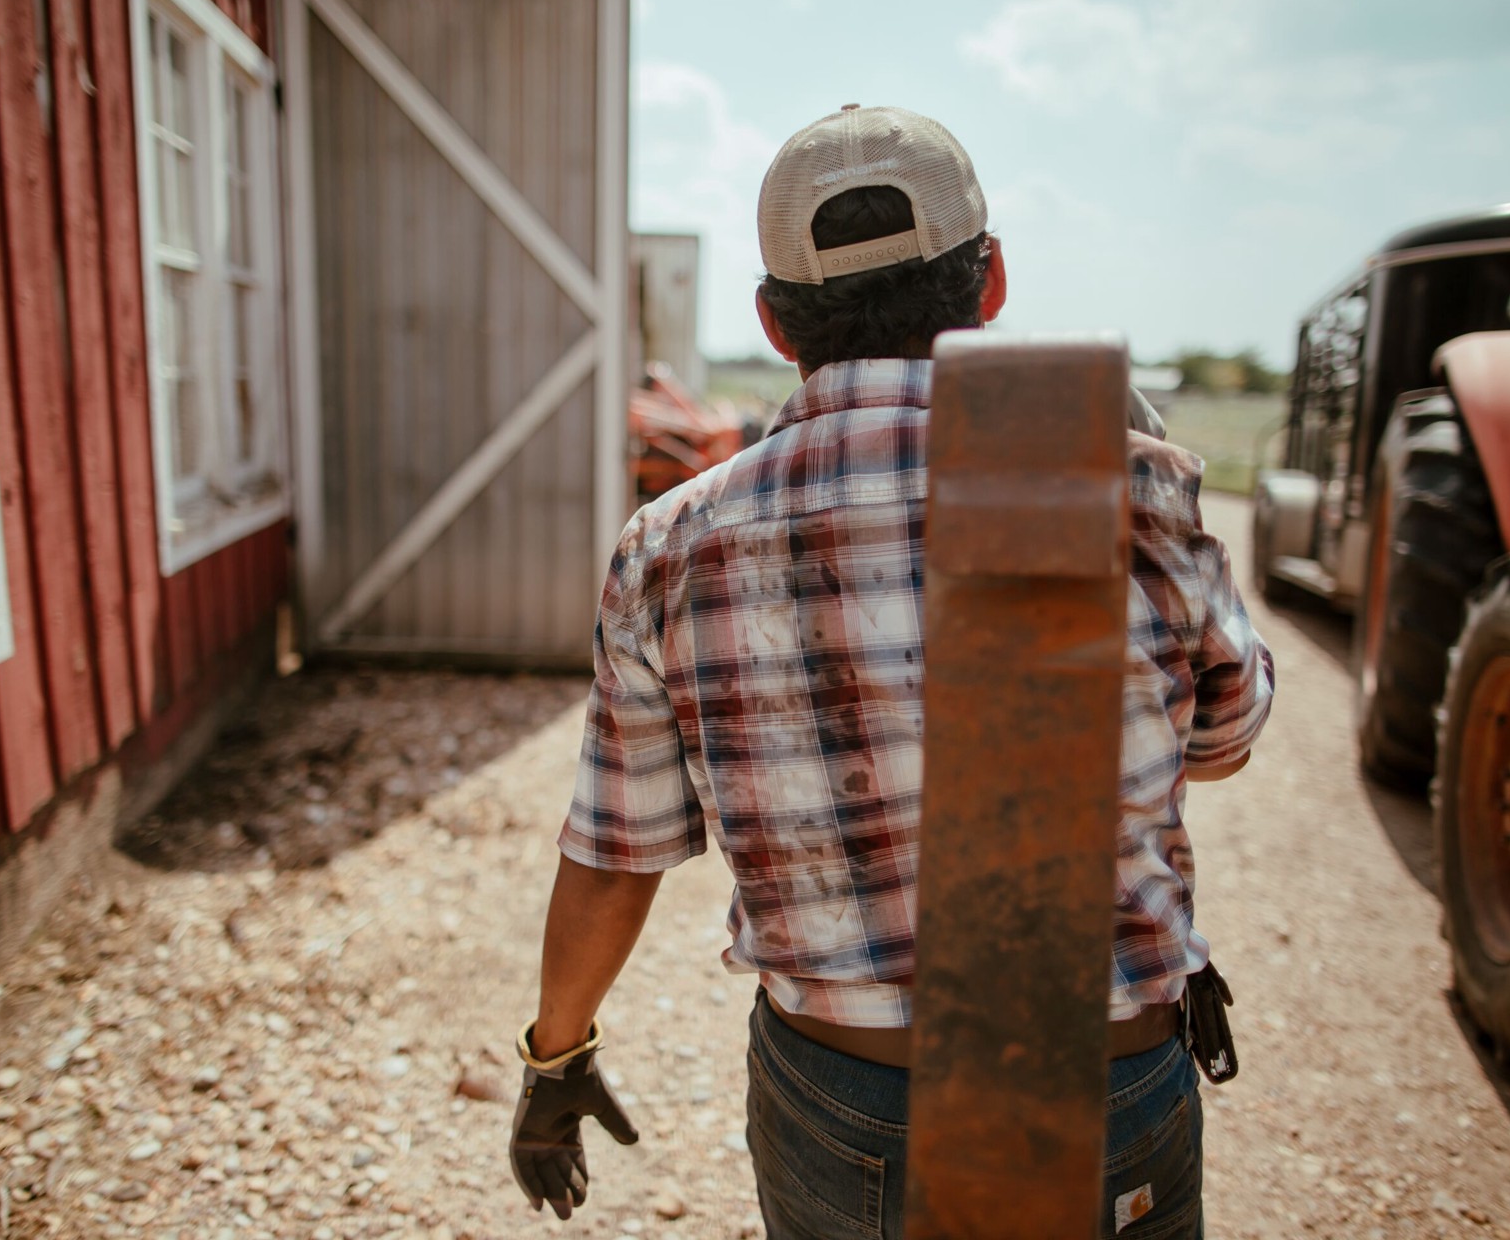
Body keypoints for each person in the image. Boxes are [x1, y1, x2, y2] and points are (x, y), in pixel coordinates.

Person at [508, 104, 1275, 1238]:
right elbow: (1224, 742)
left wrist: (556, 1052)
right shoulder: (1125, 481)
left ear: (775, 324)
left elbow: (618, 851)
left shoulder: (671, 542)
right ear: (993, 281)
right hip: (1104, 1079)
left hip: (846, 1097)